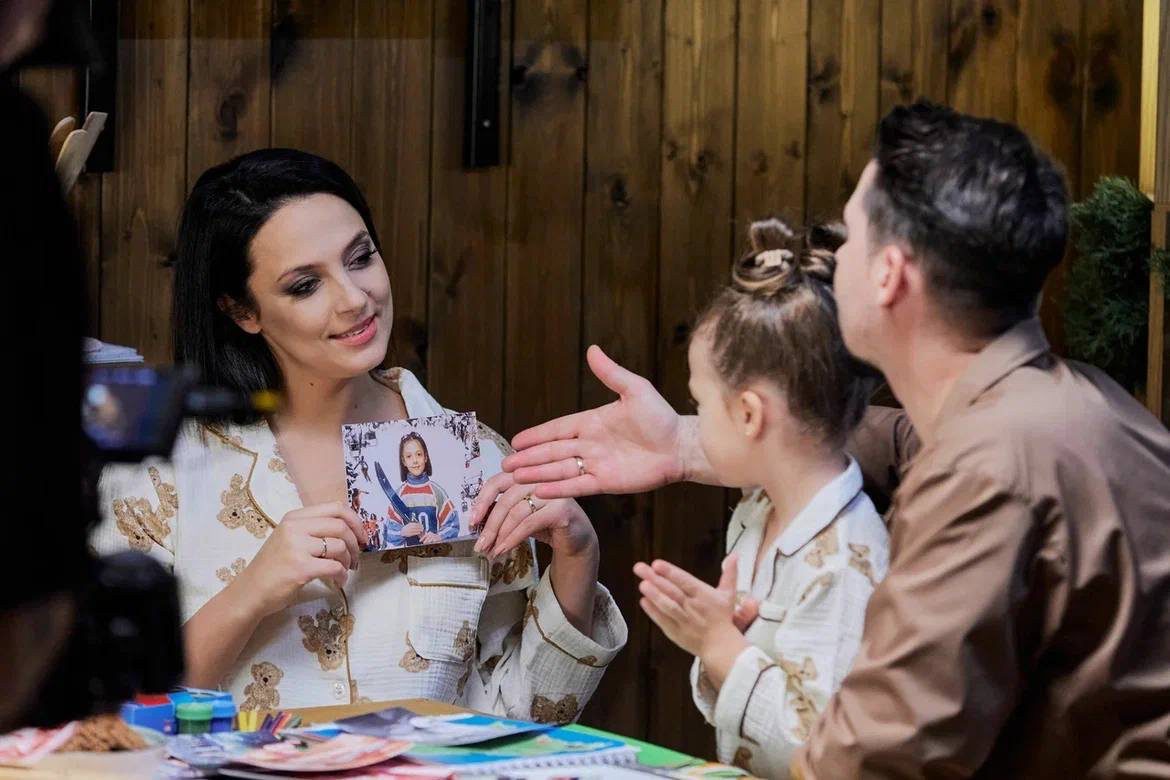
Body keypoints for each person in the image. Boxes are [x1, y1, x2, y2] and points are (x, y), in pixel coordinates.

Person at [483, 101, 1170, 777]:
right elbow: (890, 440)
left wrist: (728, 655)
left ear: (889, 274)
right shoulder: (1068, 403)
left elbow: (867, 765)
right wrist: (693, 443)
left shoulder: (986, 470)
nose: (827, 259)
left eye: (852, 235)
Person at [93, 149, 627, 718]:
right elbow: (107, 713)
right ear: (241, 309)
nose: (354, 299)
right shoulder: (158, 468)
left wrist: (577, 554)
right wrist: (251, 594)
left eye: (361, 257)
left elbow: (516, 719)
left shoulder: (473, 460)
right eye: (304, 285)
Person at [627, 219, 887, 778]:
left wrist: (720, 644)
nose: (692, 420)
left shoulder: (846, 556)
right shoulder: (757, 513)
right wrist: (716, 640)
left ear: (748, 414)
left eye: (700, 402)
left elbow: (828, 750)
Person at [375, 432, 460, 547]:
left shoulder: (437, 492)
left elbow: (453, 524)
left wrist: (439, 536)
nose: (415, 460)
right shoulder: (399, 495)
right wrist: (402, 532)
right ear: (403, 461)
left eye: (419, 454)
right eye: (409, 456)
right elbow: (388, 532)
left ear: (425, 457)